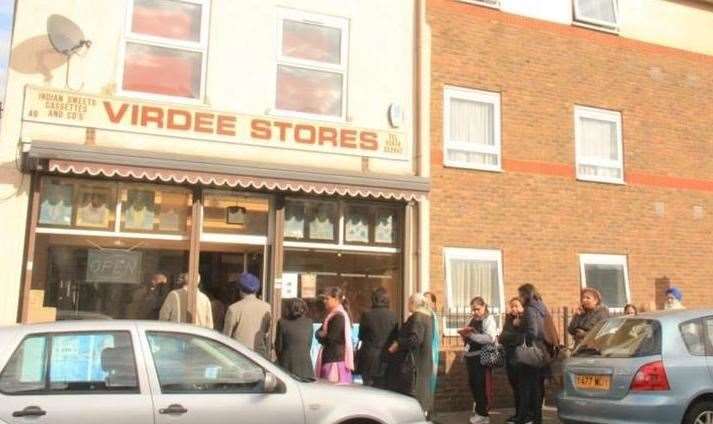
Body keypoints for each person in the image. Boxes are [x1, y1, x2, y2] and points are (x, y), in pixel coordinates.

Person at [386, 293, 434, 414]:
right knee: (421, 400)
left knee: (414, 399)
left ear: (413, 303)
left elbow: (415, 340)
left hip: (415, 366)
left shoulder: (417, 317)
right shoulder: (428, 317)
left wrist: (398, 343)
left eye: (409, 302)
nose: (407, 304)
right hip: (423, 364)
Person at [513, 283, 549, 424]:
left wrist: (519, 326)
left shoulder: (529, 309)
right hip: (540, 351)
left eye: (520, 295)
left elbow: (533, 332)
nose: (519, 298)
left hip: (530, 353)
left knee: (526, 387)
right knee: (535, 387)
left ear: (525, 295)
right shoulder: (541, 307)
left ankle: (523, 418)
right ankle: (536, 418)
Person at [459, 297, 497, 424]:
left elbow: (489, 338)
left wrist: (471, 335)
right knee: (474, 385)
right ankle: (479, 412)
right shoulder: (473, 319)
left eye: (477, 309)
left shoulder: (489, 319)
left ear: (484, 306)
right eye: (473, 309)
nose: (475, 312)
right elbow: (470, 339)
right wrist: (465, 337)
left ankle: (484, 415)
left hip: (482, 358)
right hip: (471, 357)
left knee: (482, 387)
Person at [224, 272, 272, 358]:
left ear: (240, 290)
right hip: (260, 356)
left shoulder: (233, 308)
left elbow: (226, 336)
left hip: (239, 355)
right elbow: (268, 333)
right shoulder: (267, 307)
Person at [357, 287, 398, 387]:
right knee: (384, 388)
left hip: (369, 357)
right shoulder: (393, 315)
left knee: (368, 387)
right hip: (387, 356)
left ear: (374, 299)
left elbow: (361, 336)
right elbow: (395, 337)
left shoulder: (367, 315)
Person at [315, 287, 354, 384]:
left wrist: (321, 336)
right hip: (332, 359)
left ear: (336, 299)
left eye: (327, 299)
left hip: (335, 361)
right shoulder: (331, 316)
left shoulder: (338, 316)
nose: (324, 301)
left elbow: (330, 339)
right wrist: (321, 335)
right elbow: (318, 333)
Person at [499, 297, 525, 424]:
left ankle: (524, 415)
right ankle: (518, 414)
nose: (513, 308)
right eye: (512, 306)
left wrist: (511, 336)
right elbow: (502, 337)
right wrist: (511, 336)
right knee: (515, 386)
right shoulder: (509, 318)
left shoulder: (526, 319)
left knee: (522, 387)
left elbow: (523, 338)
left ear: (523, 306)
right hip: (510, 356)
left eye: (516, 306)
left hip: (521, 358)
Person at [275, 298, 315, 380]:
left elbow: (278, 346)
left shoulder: (282, 322)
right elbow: (308, 344)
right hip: (306, 366)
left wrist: (282, 358)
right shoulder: (309, 322)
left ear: (288, 309)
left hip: (287, 365)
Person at [424, 291, 442, 398]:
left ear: (434, 304)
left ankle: (428, 408)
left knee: (430, 381)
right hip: (428, 354)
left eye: (427, 300)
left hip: (431, 354)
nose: (425, 302)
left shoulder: (433, 317)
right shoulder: (427, 316)